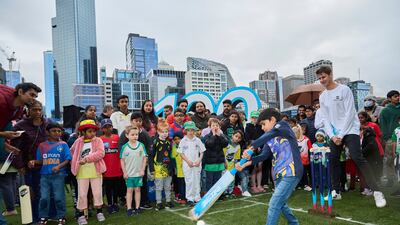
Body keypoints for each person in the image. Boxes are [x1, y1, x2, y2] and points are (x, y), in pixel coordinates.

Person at [316, 66, 386, 207]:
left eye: (323, 77)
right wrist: (333, 135)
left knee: (357, 157)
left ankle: (377, 192)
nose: (321, 80)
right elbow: (325, 118)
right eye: (319, 78)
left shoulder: (344, 90)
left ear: (330, 75)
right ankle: (336, 191)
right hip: (335, 133)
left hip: (350, 129)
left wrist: (341, 134)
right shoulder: (322, 96)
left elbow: (349, 113)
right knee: (333, 159)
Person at [236, 108, 303, 225]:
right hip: (279, 174)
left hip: (292, 172)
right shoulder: (269, 137)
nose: (262, 128)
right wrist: (247, 163)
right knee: (281, 203)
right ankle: (294, 223)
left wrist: (251, 147)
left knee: (274, 203)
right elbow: (264, 155)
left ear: (272, 120)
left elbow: (271, 133)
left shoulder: (283, 126)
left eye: (263, 124)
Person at [11, 100, 49, 222]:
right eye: (34, 109)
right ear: (28, 110)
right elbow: (16, 148)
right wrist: (20, 165)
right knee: (33, 192)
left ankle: (49, 215)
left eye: (39, 109)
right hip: (29, 165)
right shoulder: (20, 126)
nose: (38, 112)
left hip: (47, 163)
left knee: (48, 191)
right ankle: (35, 218)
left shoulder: (47, 123)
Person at [29, 122, 71, 225]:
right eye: (54, 131)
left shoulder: (63, 145)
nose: (57, 133)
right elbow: (41, 161)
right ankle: (43, 217)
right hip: (44, 176)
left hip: (58, 175)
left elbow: (67, 159)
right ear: (47, 132)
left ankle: (61, 216)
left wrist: (58, 167)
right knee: (44, 197)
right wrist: (33, 162)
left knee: (58, 197)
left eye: (59, 131)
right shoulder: (42, 146)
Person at [70, 120, 106, 224]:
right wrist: (75, 162)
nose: (92, 133)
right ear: (83, 132)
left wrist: (86, 159)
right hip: (81, 172)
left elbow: (101, 153)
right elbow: (72, 151)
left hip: (96, 171)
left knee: (97, 193)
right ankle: (81, 215)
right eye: (90, 131)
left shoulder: (98, 140)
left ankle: (99, 212)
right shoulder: (78, 141)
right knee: (82, 194)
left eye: (94, 131)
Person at [118, 112, 152, 210]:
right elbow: (121, 149)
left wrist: (145, 164)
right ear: (131, 121)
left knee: (142, 184)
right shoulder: (125, 134)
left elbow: (149, 149)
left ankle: (143, 202)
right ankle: (129, 203)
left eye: (140, 121)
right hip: (129, 165)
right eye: (136, 121)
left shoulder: (144, 134)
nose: (138, 122)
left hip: (141, 165)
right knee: (129, 186)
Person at [120, 126, 148, 216]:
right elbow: (122, 160)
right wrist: (124, 172)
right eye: (132, 135)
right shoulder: (125, 147)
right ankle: (129, 208)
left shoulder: (141, 145)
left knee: (137, 189)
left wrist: (143, 170)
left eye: (136, 134)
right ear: (127, 135)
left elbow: (144, 158)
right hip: (129, 174)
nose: (135, 136)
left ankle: (137, 207)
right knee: (129, 190)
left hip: (138, 173)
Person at [177, 121, 205, 206]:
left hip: (197, 164)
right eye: (188, 130)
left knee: (197, 180)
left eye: (192, 130)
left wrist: (199, 160)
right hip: (187, 164)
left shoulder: (197, 140)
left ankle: (197, 197)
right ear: (185, 131)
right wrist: (188, 161)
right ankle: (190, 198)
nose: (191, 132)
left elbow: (202, 151)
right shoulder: (183, 141)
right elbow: (181, 153)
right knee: (189, 181)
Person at [99, 119, 122, 214]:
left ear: (112, 127)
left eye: (109, 126)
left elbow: (121, 151)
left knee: (116, 187)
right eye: (105, 127)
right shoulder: (100, 139)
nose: (108, 129)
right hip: (106, 169)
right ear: (102, 129)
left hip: (117, 168)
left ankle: (115, 203)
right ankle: (109, 204)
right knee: (108, 188)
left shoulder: (117, 138)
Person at [149, 120, 174, 211]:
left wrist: (172, 168)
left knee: (168, 186)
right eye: (162, 132)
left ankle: (168, 201)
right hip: (158, 168)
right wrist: (152, 168)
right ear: (158, 131)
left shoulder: (169, 143)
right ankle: (158, 202)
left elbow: (171, 157)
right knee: (159, 187)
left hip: (168, 169)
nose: (164, 134)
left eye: (166, 132)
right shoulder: (155, 141)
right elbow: (151, 156)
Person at [379, 90, 400, 187]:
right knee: (389, 160)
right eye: (395, 96)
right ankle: (390, 179)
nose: (398, 98)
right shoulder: (385, 111)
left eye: (398, 96)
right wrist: (386, 138)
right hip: (391, 139)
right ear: (389, 99)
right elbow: (383, 125)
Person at [204, 119, 229, 192]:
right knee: (209, 180)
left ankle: (216, 195)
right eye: (213, 125)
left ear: (219, 127)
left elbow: (225, 144)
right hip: (210, 163)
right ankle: (209, 194)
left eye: (217, 125)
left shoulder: (221, 136)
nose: (215, 127)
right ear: (210, 127)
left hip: (219, 162)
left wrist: (220, 136)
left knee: (217, 180)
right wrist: (214, 135)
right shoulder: (207, 136)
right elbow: (209, 144)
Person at [245, 111, 266, 193]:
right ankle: (253, 185)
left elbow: (263, 137)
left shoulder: (260, 126)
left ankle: (259, 185)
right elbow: (247, 138)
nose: (255, 119)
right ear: (251, 118)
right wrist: (253, 146)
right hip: (252, 149)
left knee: (260, 166)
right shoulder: (248, 126)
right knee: (253, 167)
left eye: (256, 117)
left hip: (260, 148)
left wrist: (260, 146)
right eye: (253, 117)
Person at [223, 130, 247, 196]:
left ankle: (230, 192)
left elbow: (236, 158)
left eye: (239, 138)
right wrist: (224, 163)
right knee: (224, 179)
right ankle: (224, 192)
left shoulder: (238, 146)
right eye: (236, 136)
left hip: (232, 166)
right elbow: (223, 154)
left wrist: (235, 166)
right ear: (232, 135)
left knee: (231, 179)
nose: (237, 138)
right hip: (225, 166)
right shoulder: (226, 144)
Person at [292, 125, 312, 191]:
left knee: (304, 173)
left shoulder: (306, 139)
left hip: (304, 160)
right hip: (295, 160)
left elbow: (310, 148)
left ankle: (306, 184)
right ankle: (297, 185)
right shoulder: (293, 140)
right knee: (296, 173)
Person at [171, 133, 185, 204]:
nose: (177, 141)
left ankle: (187, 197)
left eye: (179, 139)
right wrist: (175, 169)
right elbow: (173, 159)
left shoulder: (185, 146)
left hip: (186, 168)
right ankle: (182, 198)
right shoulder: (173, 147)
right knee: (180, 184)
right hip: (179, 170)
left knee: (187, 183)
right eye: (175, 139)